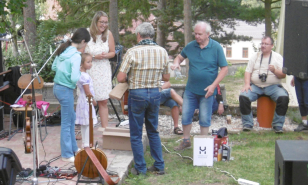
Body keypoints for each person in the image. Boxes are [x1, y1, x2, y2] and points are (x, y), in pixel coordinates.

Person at [117, 22, 169, 176]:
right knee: (153, 131)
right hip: (154, 93)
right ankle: (159, 165)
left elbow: (120, 77)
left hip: (137, 94)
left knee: (136, 133)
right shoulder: (162, 52)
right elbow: (166, 77)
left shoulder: (132, 52)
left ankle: (140, 168)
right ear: (151, 35)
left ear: (138, 35)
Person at [171, 21, 228, 150]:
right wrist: (176, 63)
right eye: (195, 34)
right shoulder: (191, 46)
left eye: (200, 34)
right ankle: (186, 140)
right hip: (191, 89)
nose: (197, 37)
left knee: (204, 117)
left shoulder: (216, 47)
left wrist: (213, 86)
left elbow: (224, 69)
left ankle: (203, 144)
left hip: (207, 91)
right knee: (185, 115)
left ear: (208, 34)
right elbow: (179, 57)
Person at [52, 28, 90, 162]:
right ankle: (67, 154)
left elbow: (54, 68)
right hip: (65, 89)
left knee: (71, 117)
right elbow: (74, 78)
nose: (85, 47)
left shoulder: (63, 50)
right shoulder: (75, 56)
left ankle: (74, 148)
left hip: (57, 88)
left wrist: (64, 74)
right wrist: (81, 75)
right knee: (67, 122)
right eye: (85, 44)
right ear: (82, 41)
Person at [239, 36, 289, 133]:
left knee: (283, 97)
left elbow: (283, 75)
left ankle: (278, 125)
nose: (263, 46)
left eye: (266, 44)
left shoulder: (277, 57)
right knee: (243, 96)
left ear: (272, 46)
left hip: (273, 86)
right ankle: (247, 124)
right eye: (262, 43)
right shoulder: (255, 56)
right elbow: (248, 71)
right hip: (256, 86)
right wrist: (247, 84)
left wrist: (274, 70)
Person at [85, 11, 116, 128]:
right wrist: (93, 57)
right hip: (90, 69)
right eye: (101, 22)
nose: (104, 25)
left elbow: (113, 52)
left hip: (103, 69)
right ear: (95, 22)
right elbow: (81, 54)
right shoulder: (87, 34)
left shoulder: (109, 34)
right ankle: (87, 130)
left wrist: (105, 56)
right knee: (89, 101)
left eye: (106, 22)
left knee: (103, 101)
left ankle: (105, 130)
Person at [76, 53, 98, 148]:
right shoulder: (84, 76)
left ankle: (85, 143)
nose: (90, 64)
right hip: (86, 101)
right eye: (88, 62)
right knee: (89, 122)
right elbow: (87, 91)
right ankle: (87, 143)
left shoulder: (80, 74)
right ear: (81, 63)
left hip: (82, 100)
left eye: (91, 62)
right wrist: (93, 100)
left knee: (85, 123)